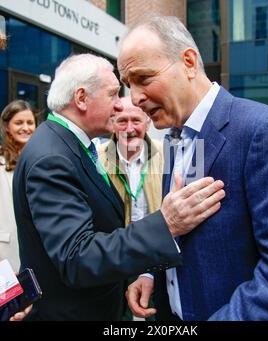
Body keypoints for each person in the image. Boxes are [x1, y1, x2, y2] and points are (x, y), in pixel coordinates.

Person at [12, 54, 225, 321]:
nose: (121, 106)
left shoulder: (72, 146)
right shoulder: (53, 157)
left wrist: (148, 272)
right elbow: (78, 257)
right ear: (81, 98)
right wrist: (166, 223)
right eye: (114, 94)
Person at [118, 15, 268, 321]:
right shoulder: (174, 138)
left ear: (188, 62)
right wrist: (150, 274)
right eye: (128, 85)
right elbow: (184, 232)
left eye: (143, 79)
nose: (135, 98)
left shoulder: (263, 130)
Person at [98, 96, 162, 320]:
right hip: (115, 255)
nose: (130, 128)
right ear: (112, 122)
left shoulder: (169, 154)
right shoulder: (97, 159)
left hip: (156, 254)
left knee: (156, 313)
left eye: (136, 120)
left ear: (147, 121)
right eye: (122, 121)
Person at [0, 100, 37, 272]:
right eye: (19, 122)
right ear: (7, 127)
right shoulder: (0, 162)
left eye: (30, 123)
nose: (26, 128)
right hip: (6, 253)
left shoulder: (40, 158)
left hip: (36, 249)